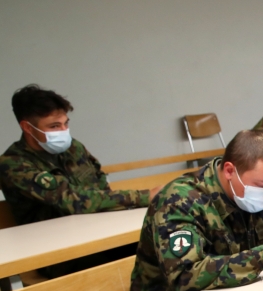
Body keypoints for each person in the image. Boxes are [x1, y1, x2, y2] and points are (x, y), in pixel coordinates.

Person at [118, 130, 263, 291]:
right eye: (262, 185)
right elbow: (184, 277)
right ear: (230, 170)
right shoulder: (180, 201)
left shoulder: (257, 188)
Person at [1, 85, 155, 227]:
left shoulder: (73, 147)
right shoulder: (13, 163)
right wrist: (144, 197)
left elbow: (101, 185)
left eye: (65, 123)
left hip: (97, 226)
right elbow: (71, 199)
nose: (63, 130)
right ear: (28, 127)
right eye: (54, 126)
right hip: (52, 242)